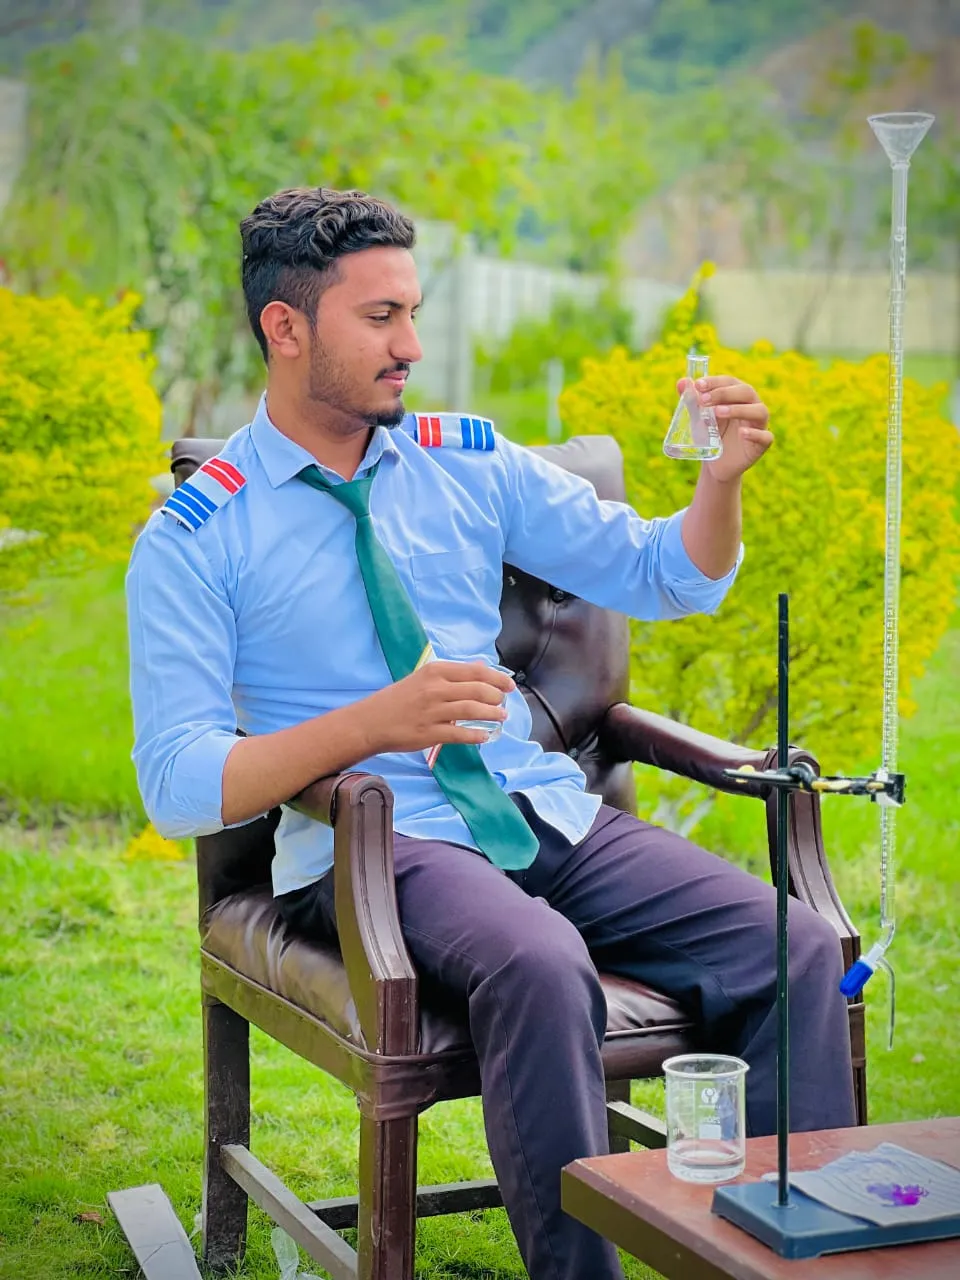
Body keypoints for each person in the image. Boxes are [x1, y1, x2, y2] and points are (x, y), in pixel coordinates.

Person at [126, 186, 856, 1280]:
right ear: (286, 327)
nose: (411, 344)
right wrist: (376, 722)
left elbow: (667, 574)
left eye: (413, 311)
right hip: (377, 847)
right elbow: (178, 782)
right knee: (541, 963)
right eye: (379, 317)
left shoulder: (465, 461)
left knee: (794, 946)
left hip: (535, 803)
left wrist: (720, 484)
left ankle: (785, 1261)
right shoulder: (199, 531)